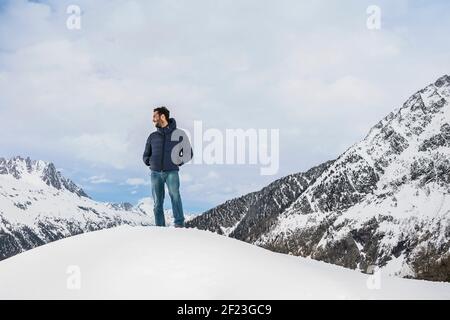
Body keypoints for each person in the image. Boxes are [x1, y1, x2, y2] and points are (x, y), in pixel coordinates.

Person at [142, 106, 193, 227]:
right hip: (155, 173)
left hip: (172, 173)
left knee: (175, 197)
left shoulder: (179, 134)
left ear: (163, 116)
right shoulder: (152, 136)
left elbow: (188, 153)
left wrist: (177, 162)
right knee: (157, 203)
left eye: (155, 116)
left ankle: (179, 225)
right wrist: (150, 161)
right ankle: (160, 228)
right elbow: (145, 155)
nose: (153, 119)